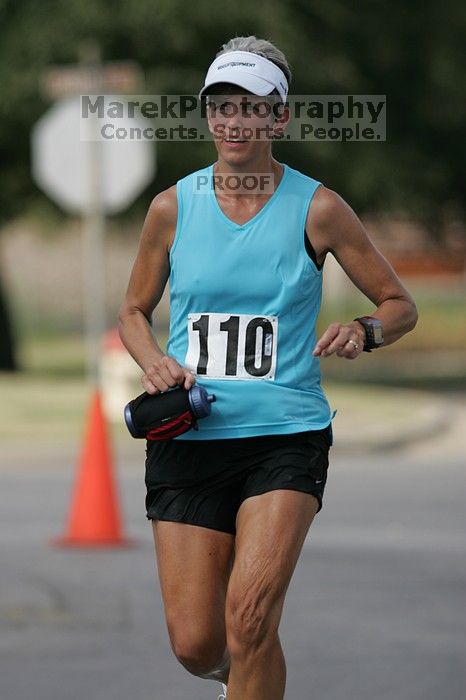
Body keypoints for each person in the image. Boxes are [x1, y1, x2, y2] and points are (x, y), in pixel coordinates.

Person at [118, 35, 418, 700]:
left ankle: (253, 668)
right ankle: (249, 681)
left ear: (278, 118)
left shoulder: (319, 208)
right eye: (220, 106)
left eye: (250, 107)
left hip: (284, 436)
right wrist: (155, 361)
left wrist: (365, 331)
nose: (233, 120)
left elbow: (401, 305)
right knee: (198, 646)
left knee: (250, 618)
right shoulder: (172, 206)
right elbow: (132, 312)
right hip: (191, 435)